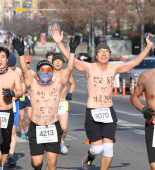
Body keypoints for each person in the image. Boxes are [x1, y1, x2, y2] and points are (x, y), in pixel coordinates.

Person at [51, 27, 154, 170]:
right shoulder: (89, 67)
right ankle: (90, 156)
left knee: (109, 148)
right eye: (101, 51)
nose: (104, 54)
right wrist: (59, 43)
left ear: (109, 55)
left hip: (108, 112)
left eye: (106, 52)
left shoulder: (114, 68)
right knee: (98, 149)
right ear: (96, 55)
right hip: (92, 111)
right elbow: (71, 60)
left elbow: (135, 62)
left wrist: (149, 45)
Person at [12, 36, 80, 170]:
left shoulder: (58, 84)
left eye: (48, 70)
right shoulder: (32, 85)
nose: (46, 73)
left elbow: (70, 69)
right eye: (42, 70)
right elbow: (24, 71)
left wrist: (72, 51)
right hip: (36, 127)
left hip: (53, 127)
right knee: (37, 163)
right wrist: (21, 53)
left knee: (52, 162)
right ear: (37, 73)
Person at [130, 69, 155, 170]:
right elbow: (134, 97)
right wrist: (144, 109)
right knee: (153, 166)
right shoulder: (146, 76)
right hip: (153, 125)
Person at [52, 53, 76, 154]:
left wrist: (70, 93)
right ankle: (51, 145)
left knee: (64, 128)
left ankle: (61, 142)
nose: (58, 62)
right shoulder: (48, 73)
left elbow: (73, 83)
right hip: (51, 104)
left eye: (60, 60)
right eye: (56, 60)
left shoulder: (66, 73)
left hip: (62, 103)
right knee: (51, 126)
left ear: (62, 62)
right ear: (52, 62)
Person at [6, 53, 22, 166]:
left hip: (14, 103)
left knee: (12, 131)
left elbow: (22, 87)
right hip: (0, 105)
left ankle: (10, 156)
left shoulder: (19, 72)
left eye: (12, 67)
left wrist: (13, 97)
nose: (10, 69)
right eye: (8, 66)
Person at [18, 56, 37, 139]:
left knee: (30, 116)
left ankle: (27, 129)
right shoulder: (18, 73)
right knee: (21, 117)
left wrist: (31, 92)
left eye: (28, 62)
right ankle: (22, 131)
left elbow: (36, 84)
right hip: (21, 97)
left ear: (30, 64)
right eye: (24, 62)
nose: (26, 64)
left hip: (29, 97)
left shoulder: (33, 73)